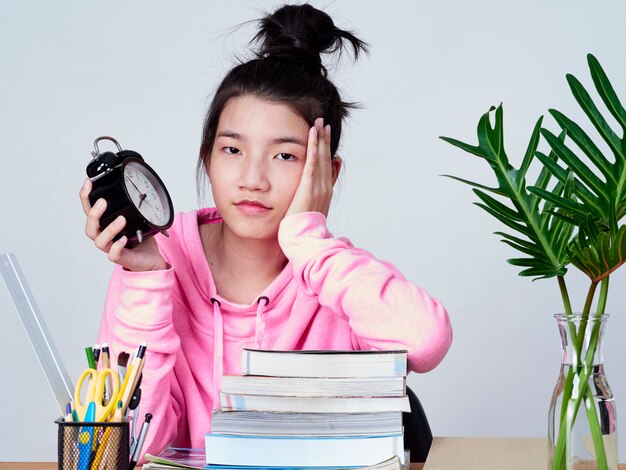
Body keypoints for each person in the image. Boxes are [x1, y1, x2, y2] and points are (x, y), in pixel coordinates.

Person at [79, 2, 452, 460]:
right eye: (232, 149)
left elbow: (427, 341)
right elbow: (128, 447)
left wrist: (310, 240)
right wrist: (146, 279)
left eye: (285, 156)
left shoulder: (333, 274)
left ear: (327, 174)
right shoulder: (156, 260)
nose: (252, 178)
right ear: (206, 158)